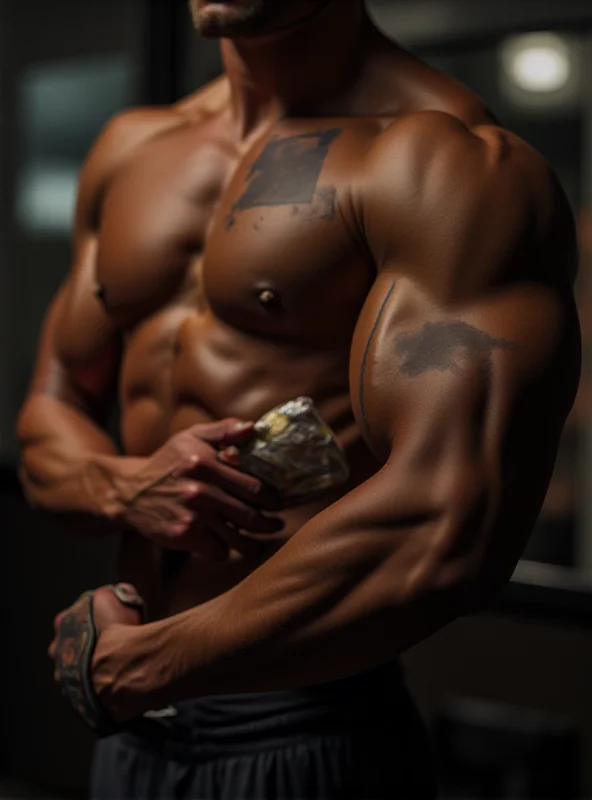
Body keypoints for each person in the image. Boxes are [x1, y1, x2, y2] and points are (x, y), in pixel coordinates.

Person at [18, 1, 580, 798]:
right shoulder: (134, 150)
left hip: (301, 730)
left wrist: (144, 665)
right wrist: (126, 488)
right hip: (129, 727)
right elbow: (47, 419)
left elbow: (448, 525)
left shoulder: (446, 164)